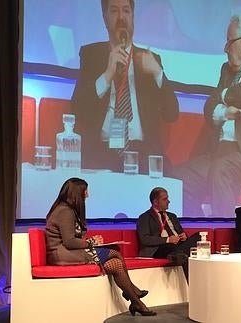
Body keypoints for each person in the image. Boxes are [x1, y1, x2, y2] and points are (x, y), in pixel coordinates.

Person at [173, 14, 241, 217]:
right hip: (219, 153)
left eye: (229, 42)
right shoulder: (226, 71)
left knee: (220, 171)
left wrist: (224, 95)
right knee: (180, 177)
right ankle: (199, 229)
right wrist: (224, 111)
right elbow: (209, 107)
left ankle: (224, 232)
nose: (224, 48)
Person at [71, 0, 179, 173]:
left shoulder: (150, 59)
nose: (121, 17)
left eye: (126, 11)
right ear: (105, 18)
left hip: (142, 150)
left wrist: (158, 73)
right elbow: (77, 108)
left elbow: (172, 113)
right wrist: (106, 75)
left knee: (168, 177)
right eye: (114, 11)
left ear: (133, 17)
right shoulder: (91, 55)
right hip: (102, 149)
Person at [45, 177, 156, 316]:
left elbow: (74, 238)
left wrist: (90, 241)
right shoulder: (65, 211)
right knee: (114, 251)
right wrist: (92, 243)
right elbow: (69, 242)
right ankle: (133, 292)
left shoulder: (67, 210)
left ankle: (135, 301)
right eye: (85, 191)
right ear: (77, 193)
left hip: (68, 252)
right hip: (62, 254)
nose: (87, 195)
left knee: (115, 263)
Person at [136, 187, 200, 280]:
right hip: (160, 247)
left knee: (199, 236)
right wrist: (167, 239)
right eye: (165, 199)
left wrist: (184, 236)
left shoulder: (172, 216)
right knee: (172, 247)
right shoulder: (144, 217)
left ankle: (177, 254)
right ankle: (178, 254)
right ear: (155, 202)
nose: (168, 201)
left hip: (178, 245)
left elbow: (181, 233)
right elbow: (145, 239)